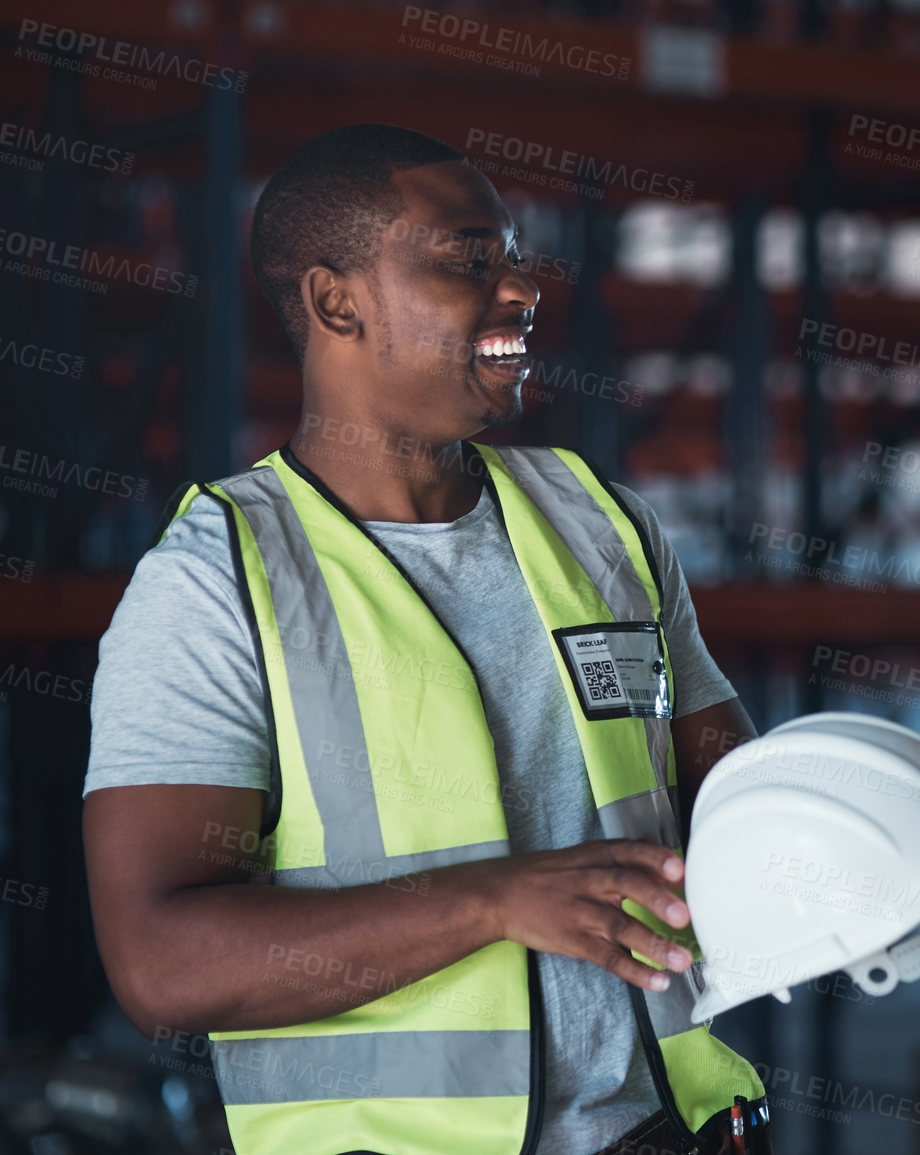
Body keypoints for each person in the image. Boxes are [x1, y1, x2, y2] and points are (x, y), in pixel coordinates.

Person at [82, 124, 769, 1155]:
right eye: (467, 260)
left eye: (513, 257)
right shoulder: (217, 581)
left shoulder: (600, 522)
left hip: (666, 1132)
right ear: (336, 302)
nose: (520, 290)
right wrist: (490, 902)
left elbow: (737, 798)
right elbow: (159, 965)